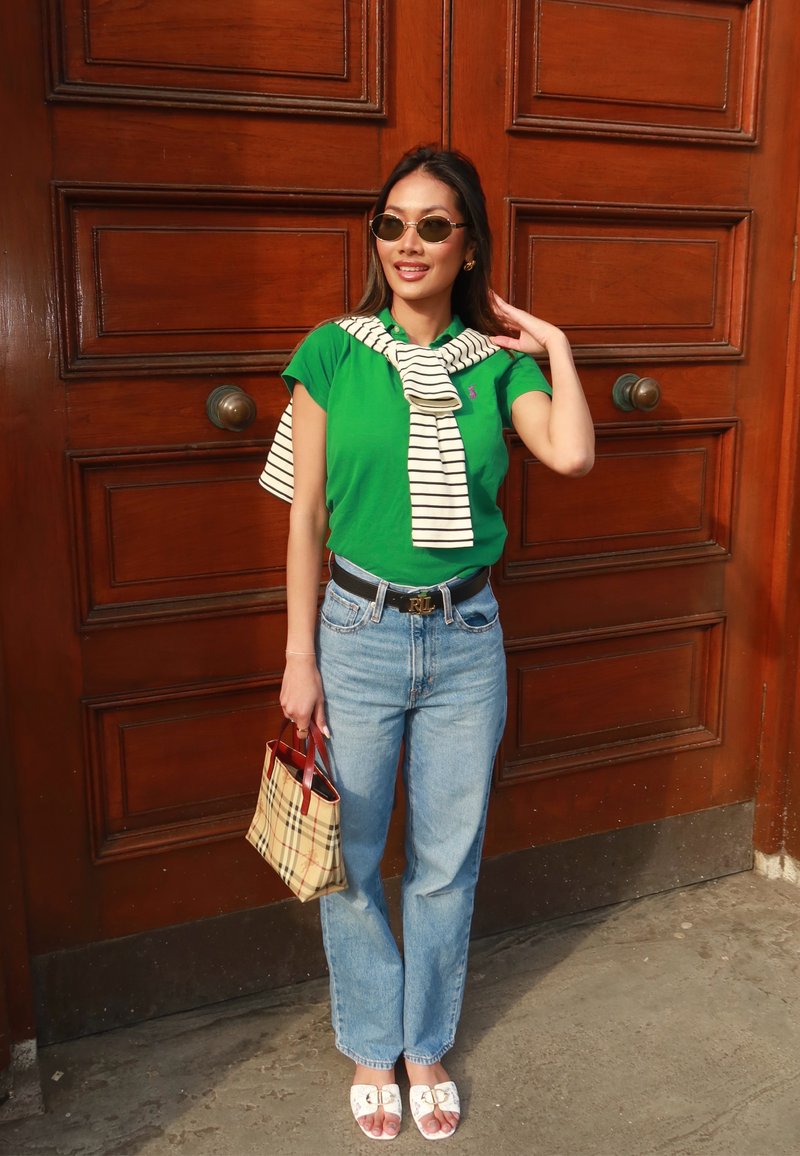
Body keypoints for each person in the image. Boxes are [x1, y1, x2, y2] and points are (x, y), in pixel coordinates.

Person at [271, 145, 594, 1141]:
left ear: (465, 246)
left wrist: (555, 345)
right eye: (392, 224)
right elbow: (305, 516)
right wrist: (297, 656)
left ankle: (424, 1044)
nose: (407, 244)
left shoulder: (494, 367)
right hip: (356, 630)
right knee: (355, 855)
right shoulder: (332, 349)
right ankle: (372, 1041)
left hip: (464, 635)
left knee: (446, 861)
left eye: (432, 226)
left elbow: (572, 452)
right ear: (377, 239)